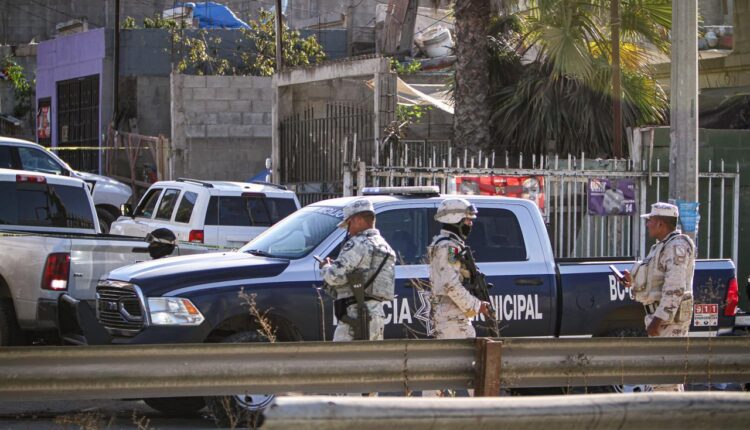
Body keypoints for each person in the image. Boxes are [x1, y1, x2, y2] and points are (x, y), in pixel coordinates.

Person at [622, 202, 695, 392]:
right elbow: (655, 281)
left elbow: (675, 287)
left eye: (651, 221)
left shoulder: (677, 247)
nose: (648, 224)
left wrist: (659, 319)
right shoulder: (661, 247)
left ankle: (668, 417)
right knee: (662, 375)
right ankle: (669, 417)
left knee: (665, 376)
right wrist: (632, 282)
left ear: (661, 224)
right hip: (659, 319)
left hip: (668, 321)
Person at [319, 198, 396, 341]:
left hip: (354, 316)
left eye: (349, 224)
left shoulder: (358, 243)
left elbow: (333, 277)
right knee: (370, 361)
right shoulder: (386, 247)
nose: (349, 231)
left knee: (343, 362)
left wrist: (325, 267)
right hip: (377, 315)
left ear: (358, 220)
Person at [428, 198, 491, 340]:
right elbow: (450, 285)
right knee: (461, 359)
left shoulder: (447, 243)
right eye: (468, 220)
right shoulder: (450, 247)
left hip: (453, 315)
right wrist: (476, 305)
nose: (471, 224)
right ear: (456, 219)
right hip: (453, 318)